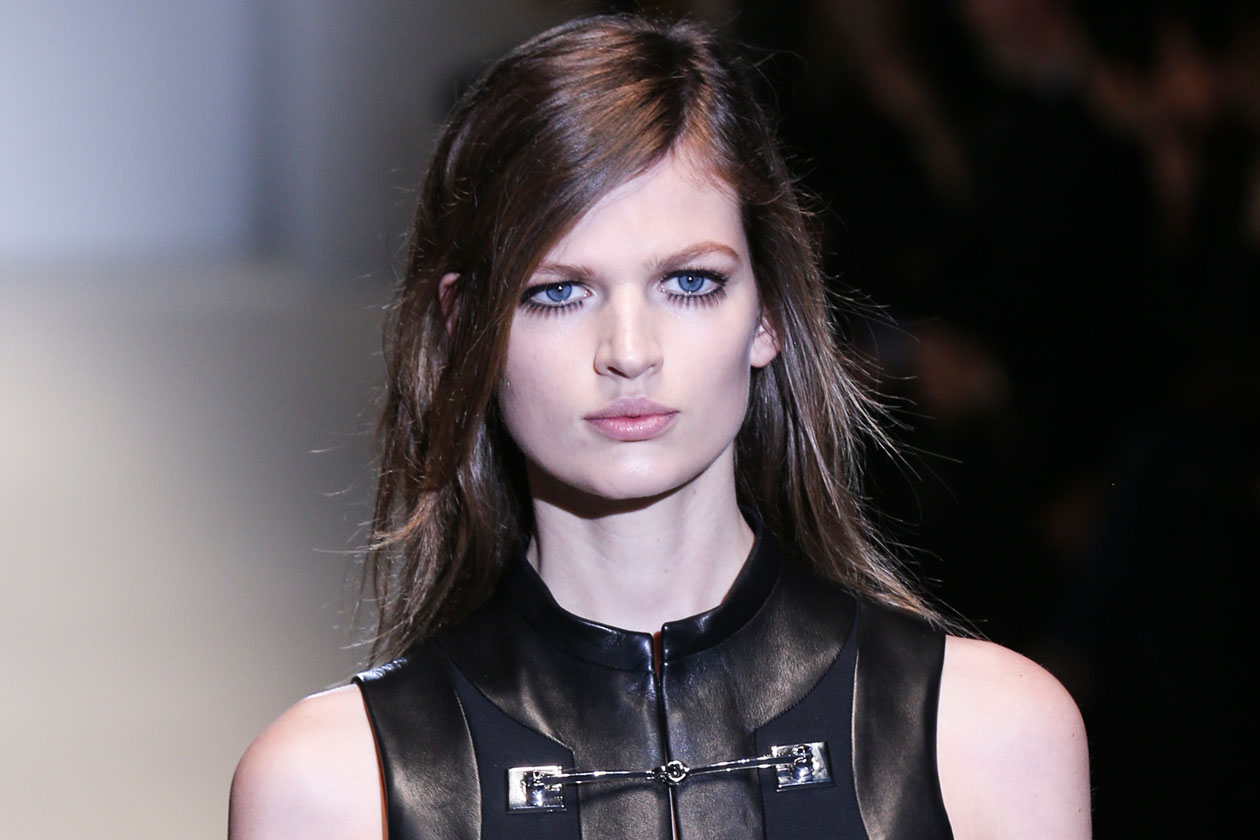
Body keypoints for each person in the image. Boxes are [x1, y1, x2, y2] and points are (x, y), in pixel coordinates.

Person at [228, 14, 1089, 840]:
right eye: (558, 292)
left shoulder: (991, 739)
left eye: (690, 282)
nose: (630, 352)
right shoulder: (332, 788)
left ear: (769, 311)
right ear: (467, 330)